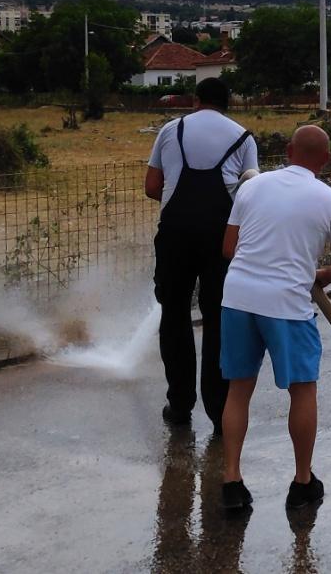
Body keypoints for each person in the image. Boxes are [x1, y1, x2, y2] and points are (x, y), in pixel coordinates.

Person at [217, 125, 331, 514]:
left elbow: (229, 248)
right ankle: (302, 483)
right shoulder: (330, 199)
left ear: (287, 150)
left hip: (238, 297)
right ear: (326, 160)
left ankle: (232, 481)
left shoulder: (251, 187)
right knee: (302, 390)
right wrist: (321, 276)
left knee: (238, 388)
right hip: (288, 305)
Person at [146, 77, 259, 430]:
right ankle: (218, 410)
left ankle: (179, 404)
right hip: (221, 240)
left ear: (196, 101)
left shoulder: (171, 130)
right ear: (228, 103)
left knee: (174, 315)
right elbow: (252, 193)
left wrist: (179, 201)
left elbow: (152, 186)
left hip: (175, 234)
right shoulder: (243, 137)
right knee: (218, 319)